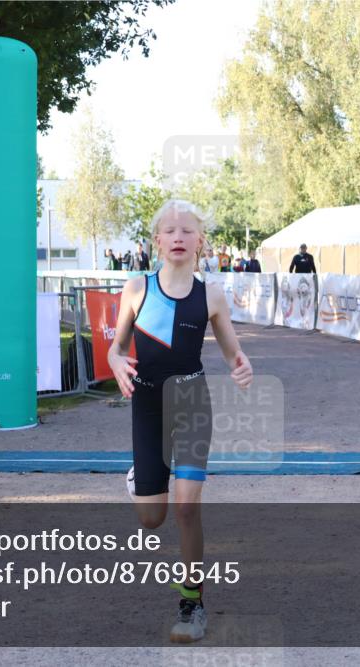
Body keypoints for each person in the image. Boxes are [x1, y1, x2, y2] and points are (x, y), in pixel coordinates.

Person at [107, 199, 253, 642]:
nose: (177, 237)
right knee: (153, 518)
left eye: (186, 231)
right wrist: (116, 363)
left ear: (199, 241)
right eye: (169, 231)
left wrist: (241, 365)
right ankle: (143, 478)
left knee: (188, 508)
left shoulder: (210, 294)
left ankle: (192, 604)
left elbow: (231, 351)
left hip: (192, 400)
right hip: (147, 405)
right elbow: (117, 348)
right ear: (156, 241)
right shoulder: (136, 289)